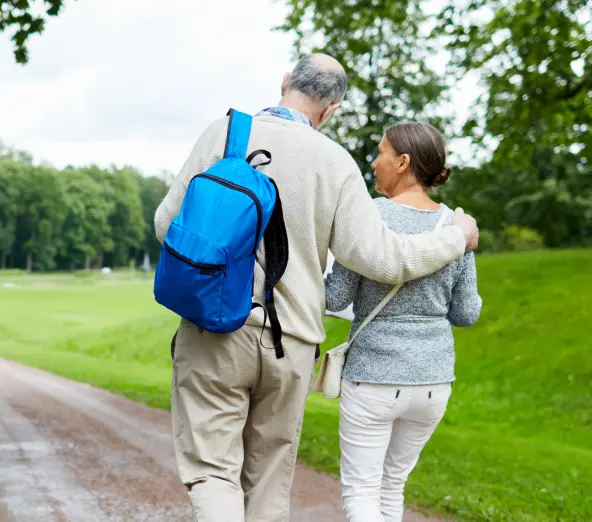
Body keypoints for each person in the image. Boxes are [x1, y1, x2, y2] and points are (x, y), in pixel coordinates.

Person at [153, 55, 479, 522]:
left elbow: (167, 224)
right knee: (268, 478)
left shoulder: (224, 134)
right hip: (292, 345)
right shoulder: (336, 162)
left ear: (285, 82)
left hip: (215, 332)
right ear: (330, 110)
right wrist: (456, 237)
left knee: (213, 472)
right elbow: (387, 260)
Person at [325, 122, 483, 522]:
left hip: (373, 377)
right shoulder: (457, 226)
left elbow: (335, 297)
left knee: (361, 494)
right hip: (432, 383)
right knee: (392, 488)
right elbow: (466, 313)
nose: (374, 161)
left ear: (403, 161)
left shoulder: (368, 217)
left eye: (381, 152)